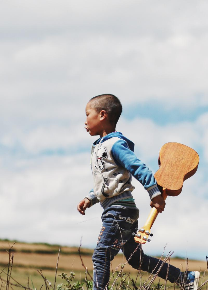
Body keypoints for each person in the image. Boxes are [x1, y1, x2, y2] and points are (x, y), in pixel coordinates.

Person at [77, 94, 199, 290]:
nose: (84, 121)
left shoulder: (115, 144)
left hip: (118, 211)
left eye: (87, 114)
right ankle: (186, 279)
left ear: (102, 115)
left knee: (101, 255)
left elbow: (138, 167)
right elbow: (106, 181)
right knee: (136, 260)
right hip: (120, 210)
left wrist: (155, 194)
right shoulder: (101, 146)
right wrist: (90, 198)